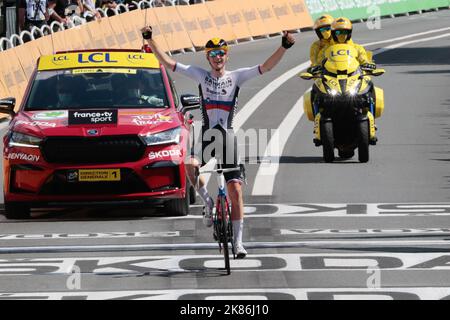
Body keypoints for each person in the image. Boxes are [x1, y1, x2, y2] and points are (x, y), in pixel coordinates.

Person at [141, 26, 295, 259]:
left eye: (221, 53)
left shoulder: (237, 77)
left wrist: (283, 47)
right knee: (189, 166)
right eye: (213, 54)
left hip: (227, 136)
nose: (218, 57)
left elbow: (267, 67)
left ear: (226, 55)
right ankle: (207, 201)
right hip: (206, 135)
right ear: (207, 58)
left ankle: (239, 242)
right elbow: (167, 61)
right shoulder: (199, 75)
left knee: (236, 190)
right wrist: (150, 40)